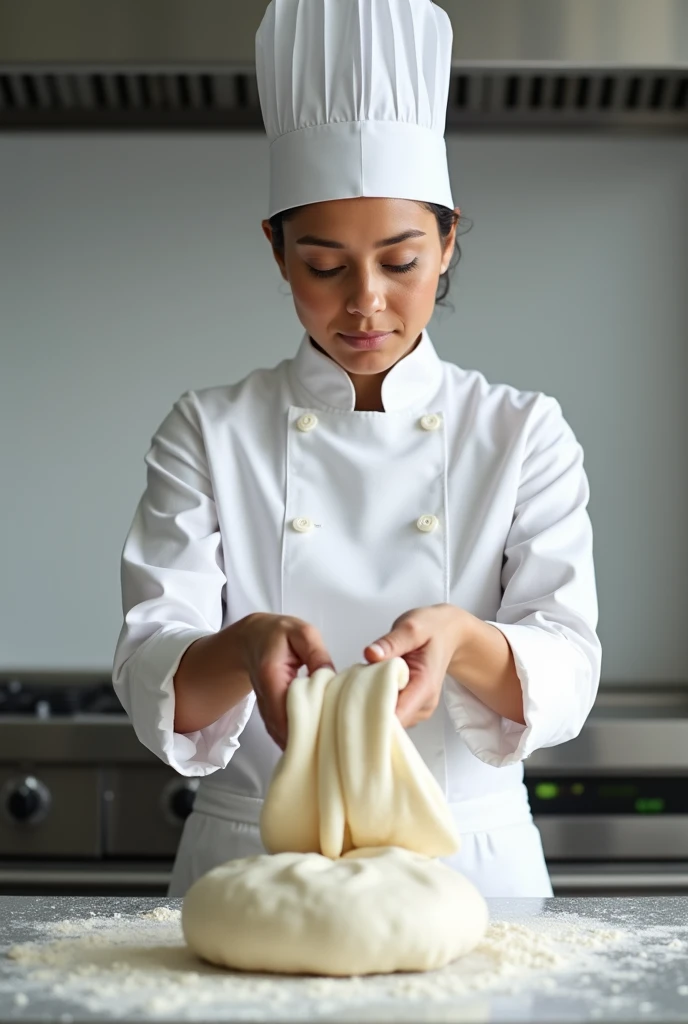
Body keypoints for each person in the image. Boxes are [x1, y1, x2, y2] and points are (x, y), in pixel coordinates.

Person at [112, 0, 601, 899]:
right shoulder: (209, 431)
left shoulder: (522, 432)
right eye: (325, 266)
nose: (365, 302)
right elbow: (152, 678)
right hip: (254, 868)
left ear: (449, 242)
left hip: (468, 873)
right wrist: (246, 645)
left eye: (402, 261)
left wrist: (459, 639)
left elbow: (567, 671)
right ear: (276, 250)